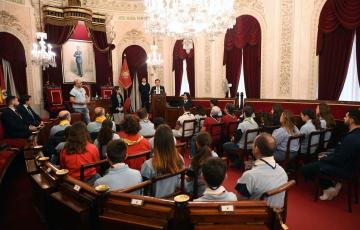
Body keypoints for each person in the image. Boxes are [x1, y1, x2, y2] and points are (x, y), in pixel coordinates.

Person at [302, 110, 360, 201]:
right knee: (317, 162)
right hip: (350, 166)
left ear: (352, 120)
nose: (344, 118)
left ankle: (328, 188)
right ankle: (332, 184)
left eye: (346, 116)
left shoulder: (351, 138)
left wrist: (324, 158)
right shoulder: (356, 134)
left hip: (344, 169)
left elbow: (339, 158)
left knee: (305, 169)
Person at [235, 133, 288, 208]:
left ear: (256, 149)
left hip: (256, 217)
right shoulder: (282, 172)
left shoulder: (250, 176)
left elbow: (239, 201)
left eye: (253, 144)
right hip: (276, 216)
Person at [141, 125, 184, 197]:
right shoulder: (180, 158)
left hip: (156, 203)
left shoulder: (148, 165)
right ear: (172, 141)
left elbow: (144, 191)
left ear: (155, 142)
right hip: (174, 197)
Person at [187, 132, 218, 197]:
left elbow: (189, 177)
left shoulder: (196, 159)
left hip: (198, 191)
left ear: (197, 144)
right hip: (214, 189)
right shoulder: (216, 156)